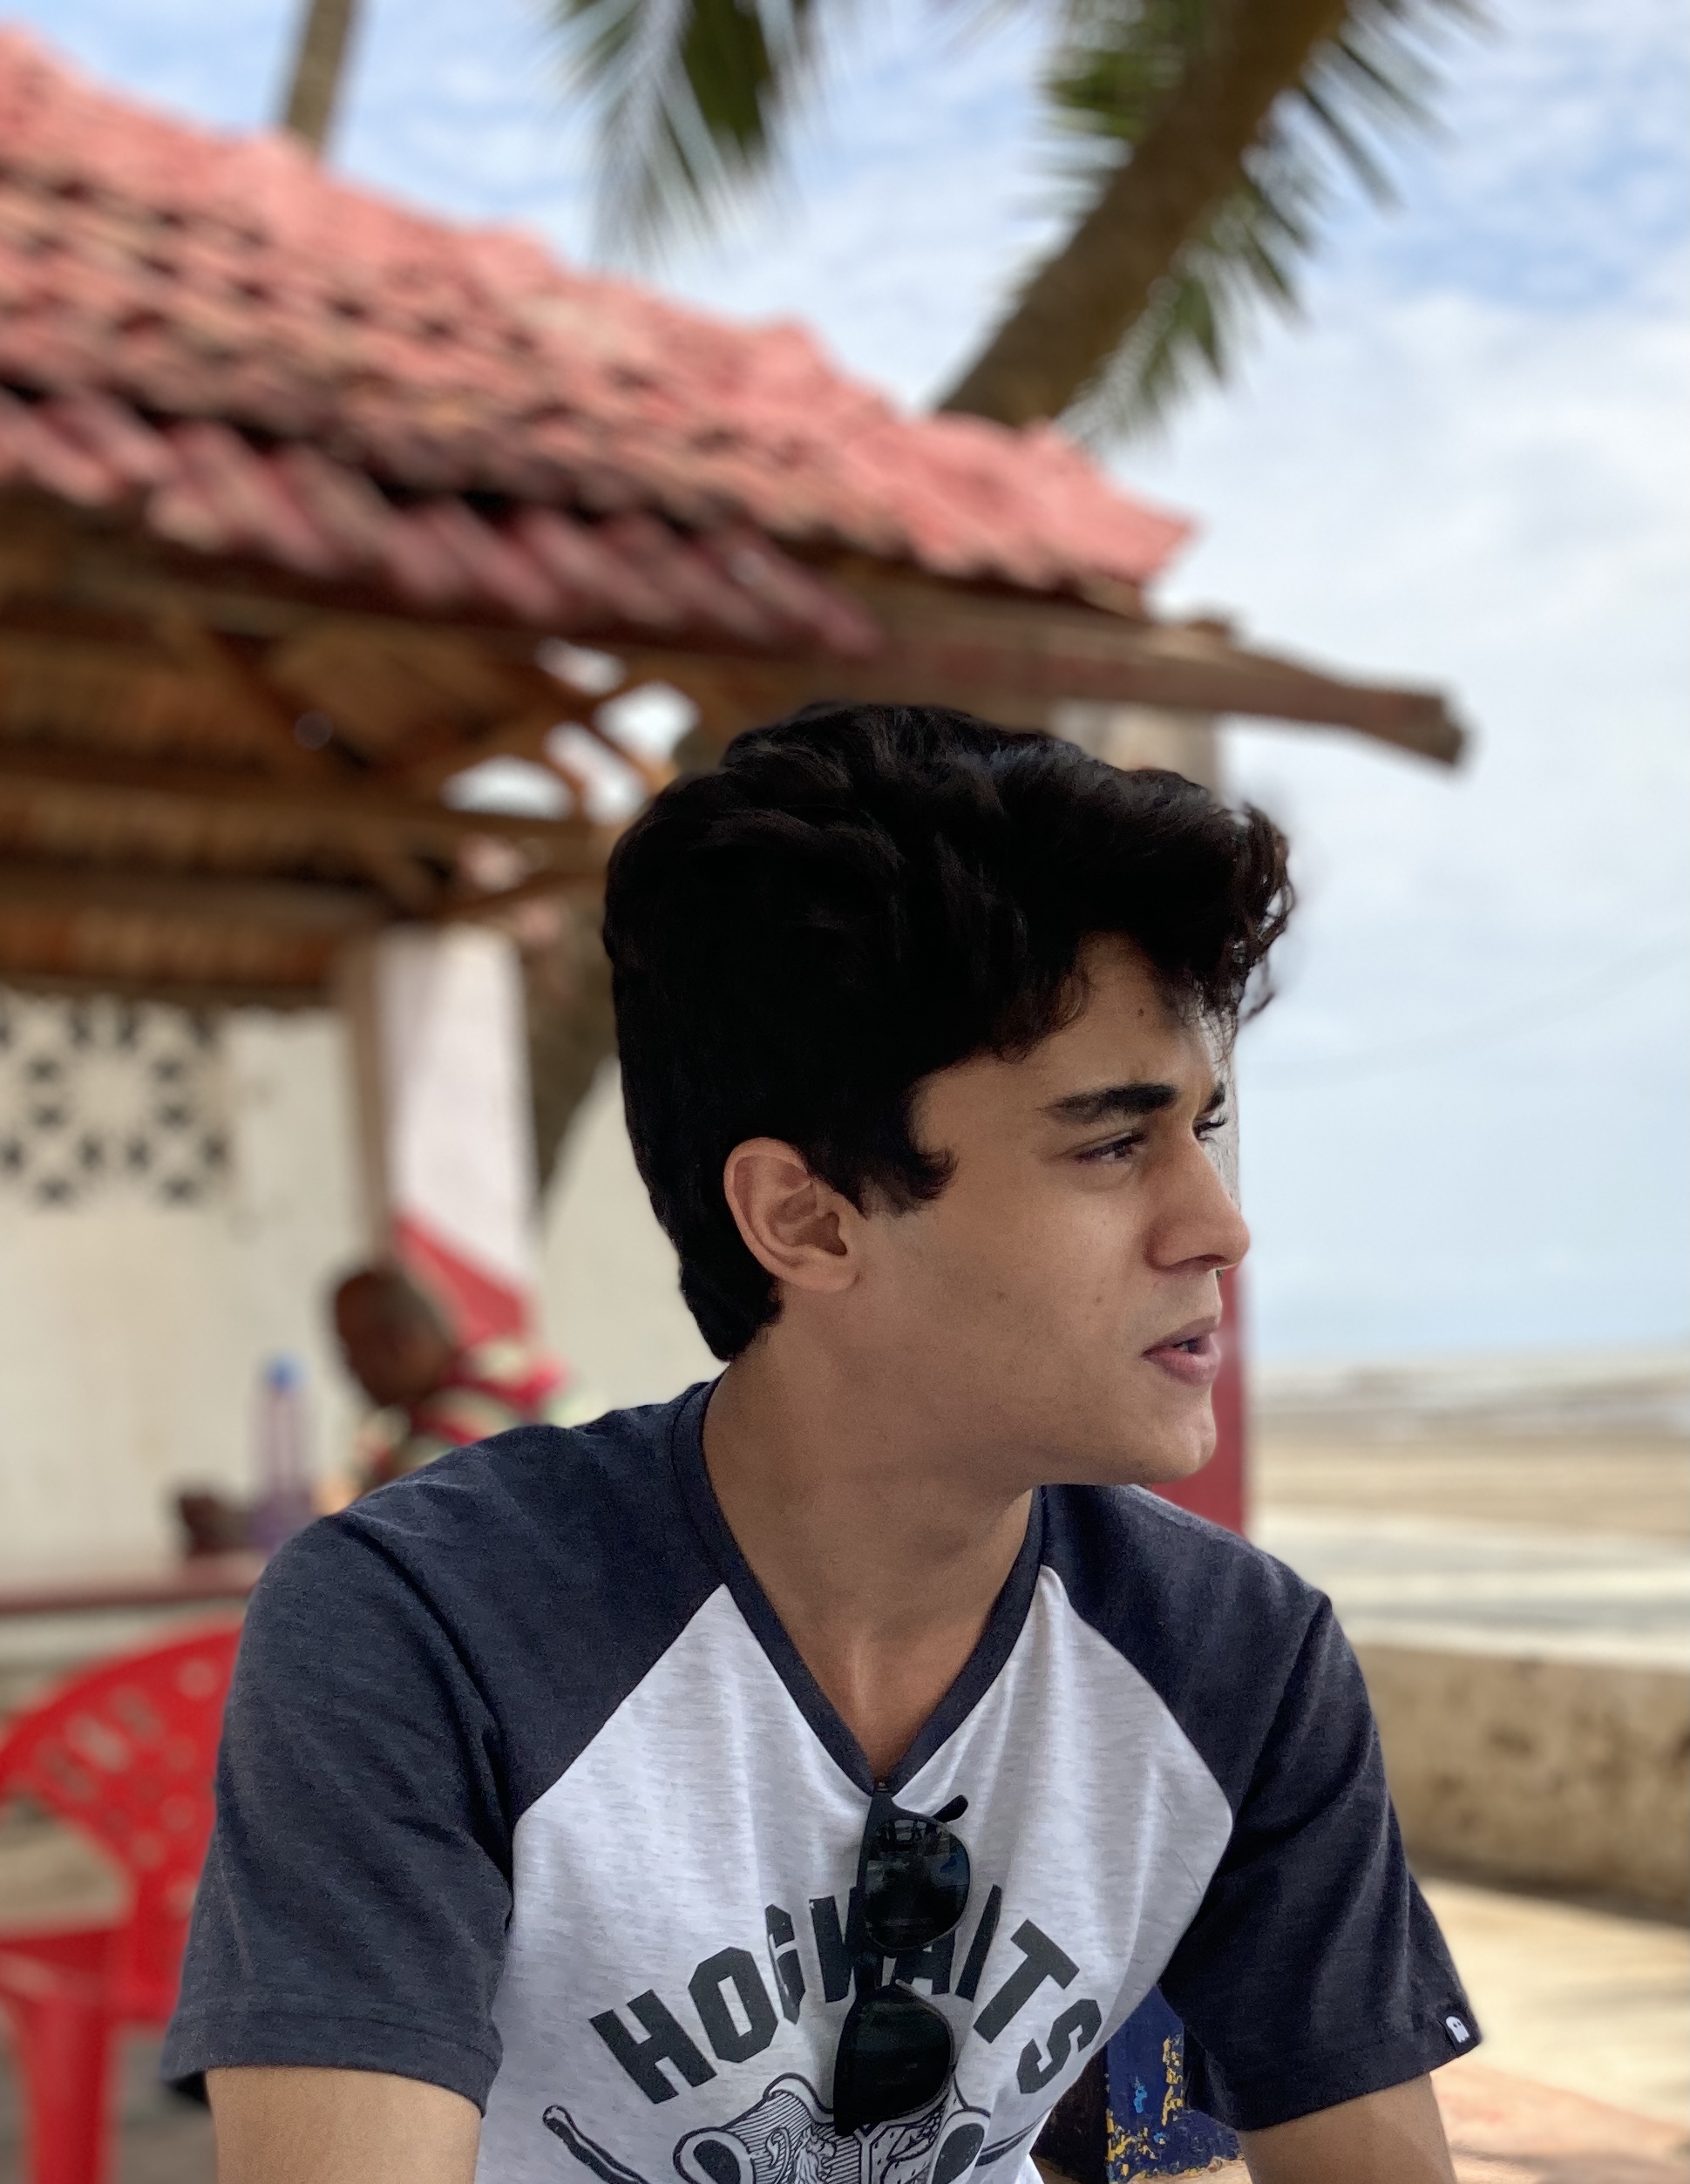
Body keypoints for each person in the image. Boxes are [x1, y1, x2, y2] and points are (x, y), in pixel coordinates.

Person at [164, 704, 1476, 2184]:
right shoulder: (431, 1631)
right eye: (1111, 1143)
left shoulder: (1233, 1657)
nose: (1216, 1225)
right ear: (805, 1217)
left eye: (1201, 1129)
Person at [330, 1265, 572, 1496]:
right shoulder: (502, 1357)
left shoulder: (480, 1398)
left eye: (353, 1352)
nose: (349, 1369)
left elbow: (408, 1506)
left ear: (401, 1345)